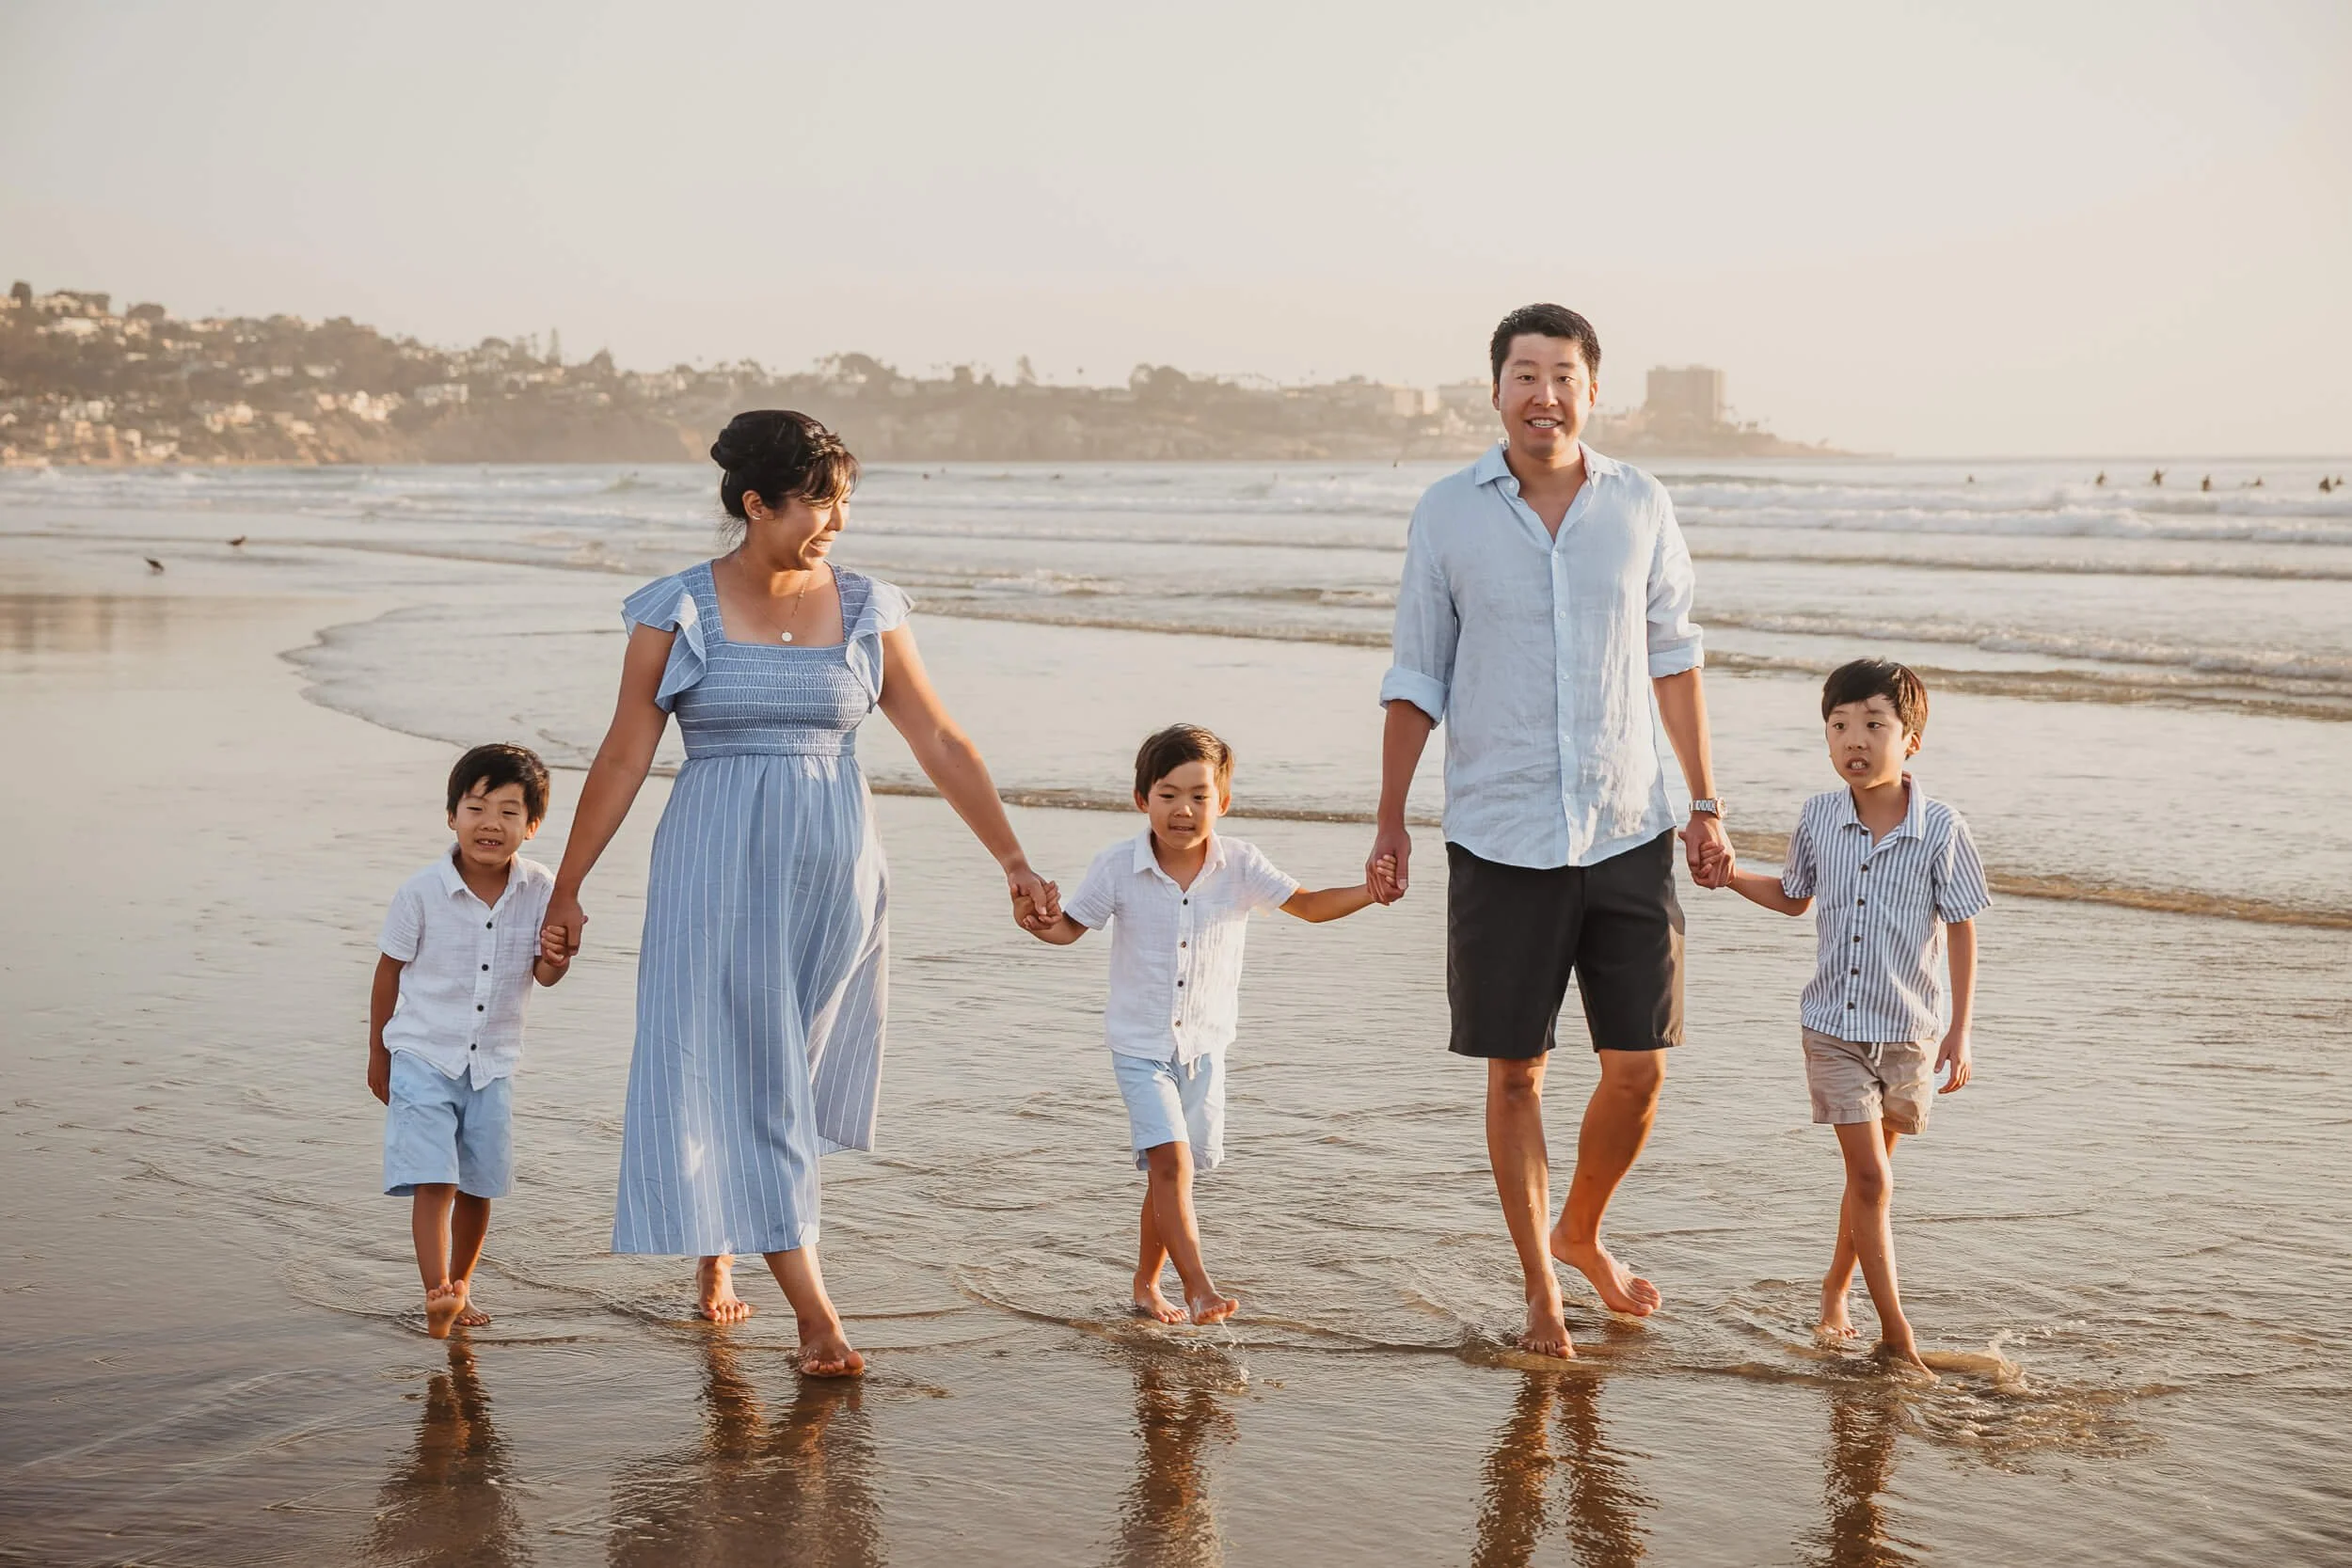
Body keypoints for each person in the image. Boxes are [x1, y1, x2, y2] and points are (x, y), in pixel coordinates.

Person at [542, 410, 1058, 1377]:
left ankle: (719, 1249)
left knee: (775, 1069)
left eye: (843, 502)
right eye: (820, 501)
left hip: (835, 870)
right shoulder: (675, 609)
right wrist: (567, 888)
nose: (836, 522)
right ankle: (817, 1315)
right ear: (754, 502)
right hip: (716, 863)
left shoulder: (868, 606)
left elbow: (941, 742)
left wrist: (1013, 860)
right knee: (757, 1075)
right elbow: (622, 754)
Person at [1367, 303, 1732, 1360]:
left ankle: (1581, 1226)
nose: (1543, 395)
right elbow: (1414, 673)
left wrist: (1704, 800)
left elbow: (1674, 655)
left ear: (1592, 389)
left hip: (1628, 820)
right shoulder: (1447, 512)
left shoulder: (1640, 503)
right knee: (1514, 1071)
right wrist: (1389, 818)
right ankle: (1540, 1285)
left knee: (1639, 1066)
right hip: (1498, 827)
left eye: (1562, 375)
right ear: (1494, 391)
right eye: (1524, 374)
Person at [1014, 725, 1388, 1325]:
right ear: (1142, 799)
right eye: (1167, 794)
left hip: (1206, 1047)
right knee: (1173, 1165)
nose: (1183, 809)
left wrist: (1370, 892)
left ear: (1223, 802)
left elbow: (1312, 906)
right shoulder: (1116, 865)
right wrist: (1034, 921)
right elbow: (1067, 929)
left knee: (1170, 1174)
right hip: (1140, 1046)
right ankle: (1199, 1288)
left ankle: (1145, 1284)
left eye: (1199, 795)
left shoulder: (1240, 864)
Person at [1717, 658, 1987, 1377]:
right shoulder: (1818, 817)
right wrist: (1729, 872)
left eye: (1873, 724)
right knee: (1871, 1179)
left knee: (1870, 1181)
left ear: (1912, 740)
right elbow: (1793, 895)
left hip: (1910, 1034)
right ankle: (1897, 1332)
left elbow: (1962, 926)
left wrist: (1960, 1029)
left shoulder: (1941, 829)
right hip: (1833, 1026)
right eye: (1838, 726)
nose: (1853, 739)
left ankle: (1836, 1288)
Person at [368, 744, 568, 1338]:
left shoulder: (540, 890)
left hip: (493, 1062)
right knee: (437, 1178)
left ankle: (462, 1285)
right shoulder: (420, 891)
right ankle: (436, 1293)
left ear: (532, 826)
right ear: (452, 814)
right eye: (476, 807)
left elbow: (546, 973)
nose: (491, 824)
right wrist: (378, 1052)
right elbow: (388, 971)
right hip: (422, 1053)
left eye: (509, 812)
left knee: (479, 1183)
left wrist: (557, 959)